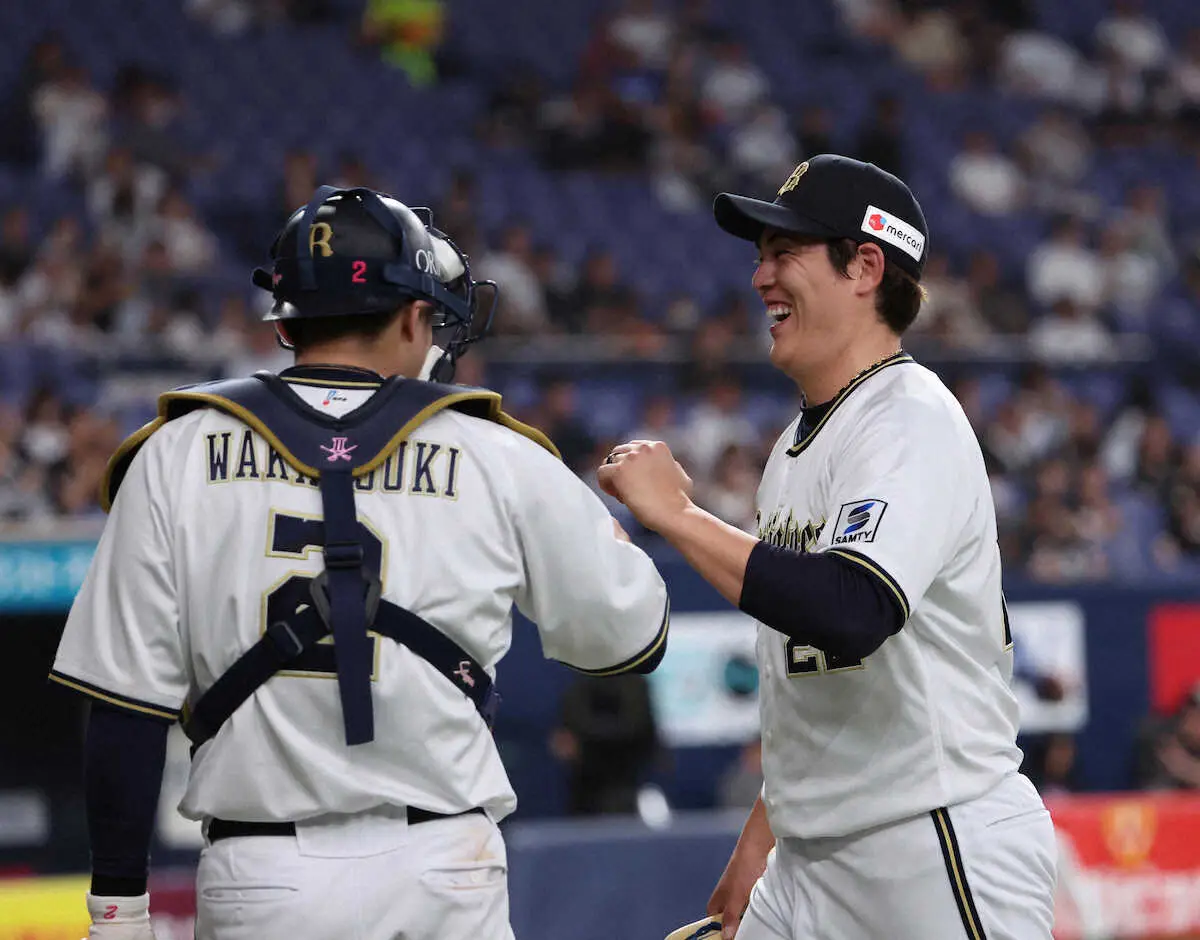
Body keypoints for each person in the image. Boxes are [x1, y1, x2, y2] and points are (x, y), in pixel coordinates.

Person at [50, 186, 670, 940]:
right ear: (413, 317)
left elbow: (124, 707)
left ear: (286, 321)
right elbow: (626, 638)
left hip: (262, 875)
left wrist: (118, 911)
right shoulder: (497, 450)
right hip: (444, 866)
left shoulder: (174, 450)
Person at [599, 155, 1056, 939]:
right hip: (816, 853)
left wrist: (676, 514)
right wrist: (764, 833)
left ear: (865, 268)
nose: (760, 277)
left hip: (931, 840)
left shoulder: (907, 415)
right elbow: (818, 685)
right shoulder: (794, 449)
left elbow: (852, 610)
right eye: (760, 256)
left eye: (785, 252)